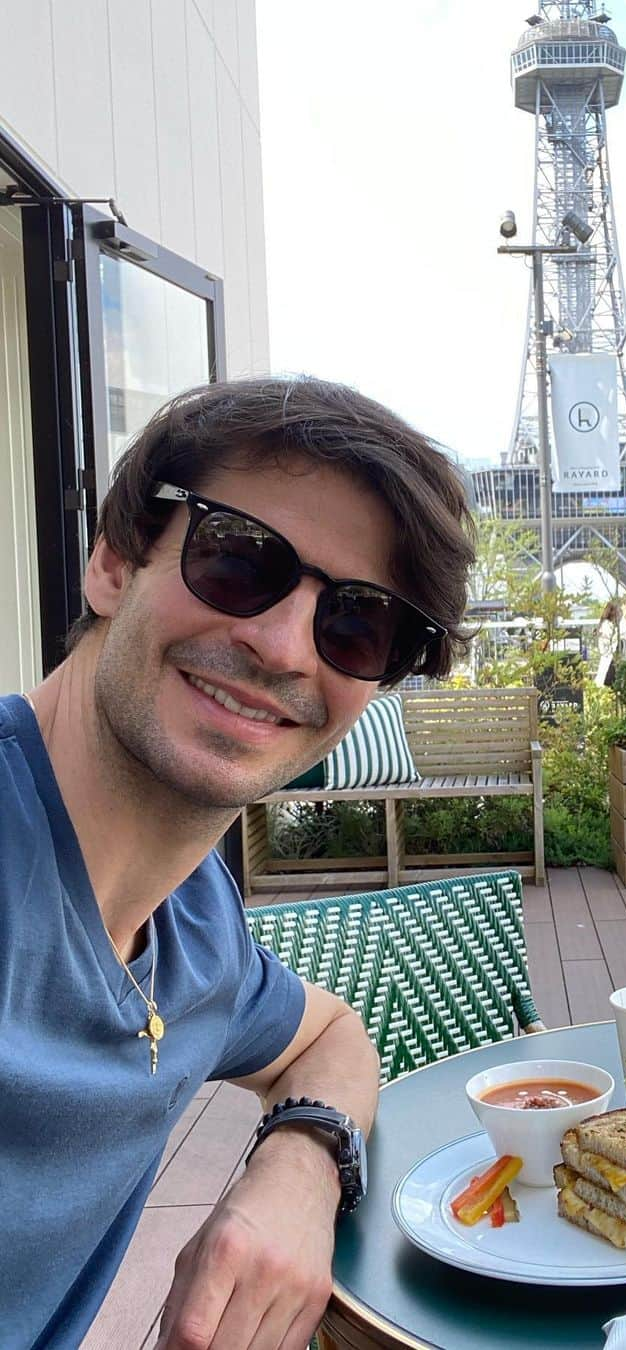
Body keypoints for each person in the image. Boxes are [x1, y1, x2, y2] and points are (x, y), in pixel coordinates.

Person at [1, 377, 475, 1349]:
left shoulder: (195, 925)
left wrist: (300, 1169)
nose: (282, 646)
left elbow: (327, 1037)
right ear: (110, 562)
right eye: (235, 558)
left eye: (359, 623)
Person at [594, 600, 622, 688]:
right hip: (609, 658)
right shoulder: (607, 625)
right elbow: (608, 645)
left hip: (609, 657)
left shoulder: (607, 625)